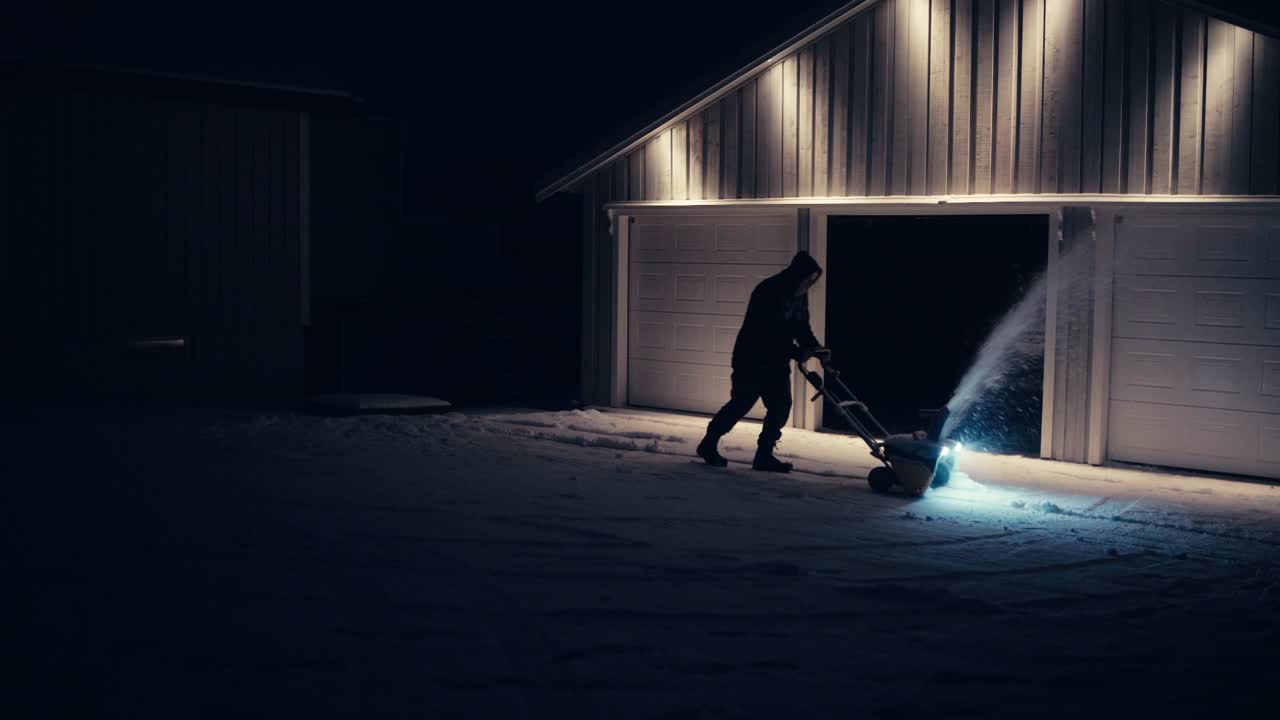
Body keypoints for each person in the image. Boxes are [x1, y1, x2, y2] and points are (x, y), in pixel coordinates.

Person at [697, 251, 831, 472]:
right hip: (751, 358)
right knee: (741, 403)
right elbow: (766, 333)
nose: (809, 284)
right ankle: (708, 443)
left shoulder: (799, 294)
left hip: (776, 361)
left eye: (812, 281)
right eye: (808, 279)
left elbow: (801, 326)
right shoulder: (768, 291)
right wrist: (797, 353)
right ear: (797, 275)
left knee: (780, 406)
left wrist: (816, 349)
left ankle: (764, 456)